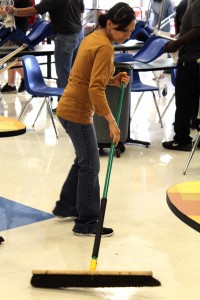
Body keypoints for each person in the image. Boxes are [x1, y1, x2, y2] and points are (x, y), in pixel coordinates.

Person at [53, 3, 135, 237]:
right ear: (110, 24)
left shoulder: (94, 37)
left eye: (130, 31)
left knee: (84, 159)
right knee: (91, 164)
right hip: (77, 112)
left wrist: (112, 78)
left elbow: (90, 77)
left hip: (68, 107)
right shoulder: (105, 47)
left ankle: (68, 205)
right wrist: (111, 120)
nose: (127, 36)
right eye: (124, 31)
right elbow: (94, 90)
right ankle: (86, 222)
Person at [3, 0, 85, 99]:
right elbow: (81, 9)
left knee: (64, 75)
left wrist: (14, 11)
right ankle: (76, 104)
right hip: (78, 33)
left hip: (65, 36)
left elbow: (34, 10)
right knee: (76, 73)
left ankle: (66, 107)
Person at [162, 0, 200, 151]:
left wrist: (176, 44)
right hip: (194, 60)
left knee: (184, 101)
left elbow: (198, 29)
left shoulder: (197, 4)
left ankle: (182, 139)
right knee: (195, 103)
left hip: (192, 61)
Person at [1, 0, 31, 94]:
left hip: (15, 31)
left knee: (10, 57)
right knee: (11, 56)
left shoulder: (20, 1)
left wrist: (4, 11)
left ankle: (27, 79)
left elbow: (16, 11)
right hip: (14, 29)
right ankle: (11, 84)